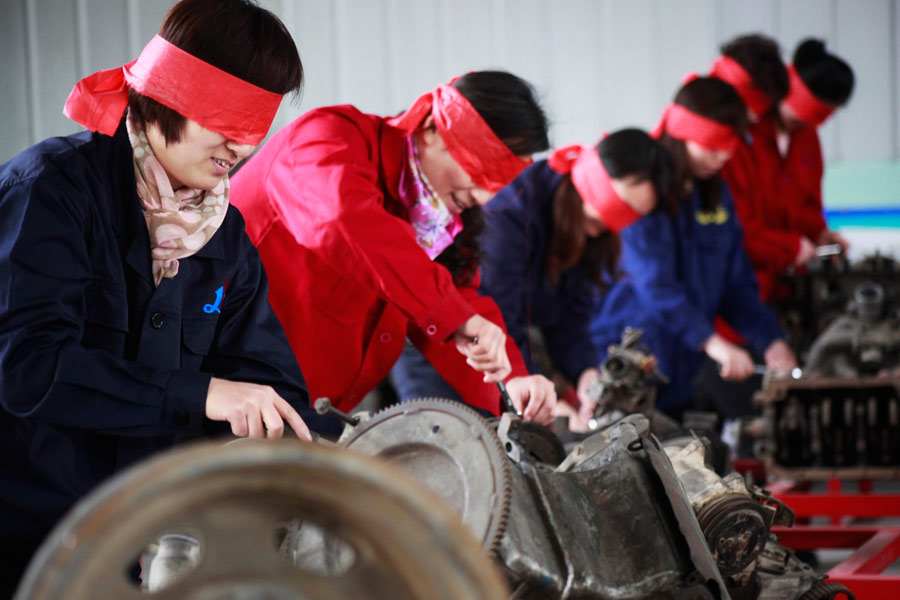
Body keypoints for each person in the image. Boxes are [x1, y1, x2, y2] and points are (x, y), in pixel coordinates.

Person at [0, 1, 311, 594]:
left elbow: (268, 387)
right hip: (26, 538)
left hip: (141, 544)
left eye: (256, 129)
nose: (240, 149)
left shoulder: (224, 233)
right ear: (173, 95)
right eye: (228, 123)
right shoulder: (50, 194)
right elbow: (28, 369)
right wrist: (202, 394)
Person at [231, 72, 557, 424]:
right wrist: (453, 314)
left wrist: (513, 380)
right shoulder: (326, 140)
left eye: (498, 184)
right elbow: (341, 218)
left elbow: (458, 298)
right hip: (224, 391)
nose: (482, 196)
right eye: (479, 172)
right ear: (432, 126)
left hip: (297, 413)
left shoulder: (436, 224)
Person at [392, 129, 669, 428]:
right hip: (441, 347)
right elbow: (499, 312)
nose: (597, 232)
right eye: (594, 221)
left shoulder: (586, 233)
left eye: (605, 228)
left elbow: (570, 316)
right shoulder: (511, 208)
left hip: (501, 356)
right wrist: (536, 393)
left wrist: (586, 373)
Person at [589, 77, 797, 418]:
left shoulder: (714, 195)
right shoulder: (643, 192)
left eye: (728, 148)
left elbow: (735, 283)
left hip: (684, 369)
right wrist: (713, 342)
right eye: (712, 147)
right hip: (627, 362)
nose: (721, 158)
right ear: (682, 135)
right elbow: (655, 286)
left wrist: (771, 341)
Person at [723, 38, 854, 302]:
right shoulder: (737, 137)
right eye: (797, 119)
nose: (803, 126)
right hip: (739, 283)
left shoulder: (807, 137)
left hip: (789, 284)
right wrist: (790, 247)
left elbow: (808, 205)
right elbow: (735, 227)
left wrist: (820, 236)